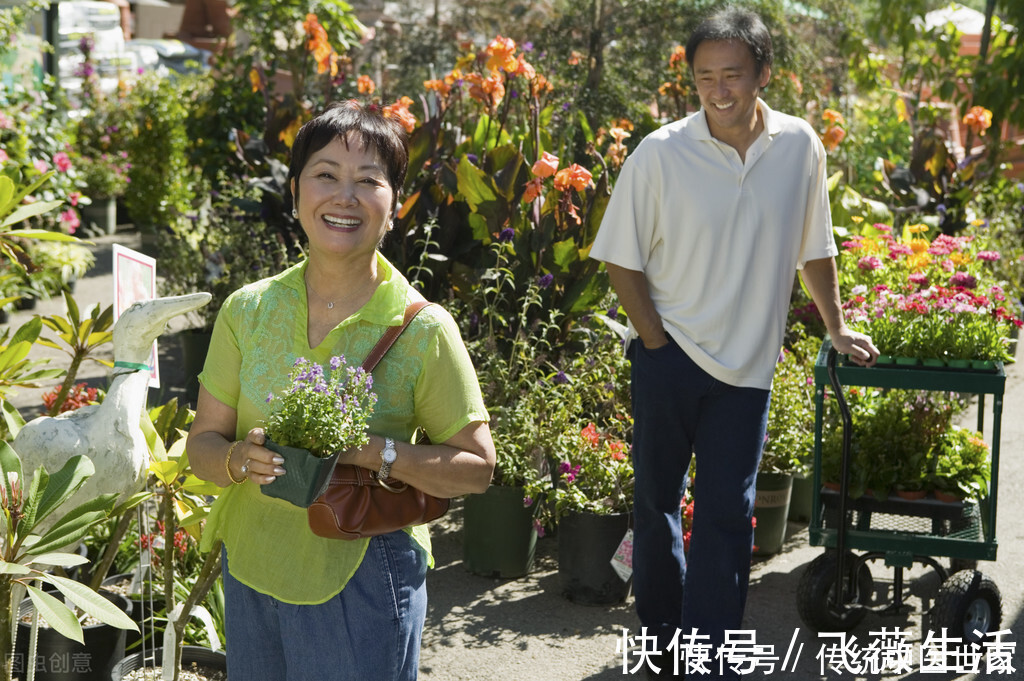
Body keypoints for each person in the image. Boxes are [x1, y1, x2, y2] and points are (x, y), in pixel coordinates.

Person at [589, 7, 878, 678]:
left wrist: (835, 324)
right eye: (705, 77)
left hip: (746, 368)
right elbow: (620, 259)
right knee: (657, 501)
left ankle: (708, 650)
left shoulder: (800, 145)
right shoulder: (660, 153)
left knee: (729, 511)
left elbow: (816, 246)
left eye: (733, 75)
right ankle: (663, 636)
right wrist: (655, 341)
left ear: (764, 73)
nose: (719, 90)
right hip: (668, 358)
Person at [187, 100, 496, 681]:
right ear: (297, 190)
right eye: (325, 174)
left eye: (368, 181)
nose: (344, 196)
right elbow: (201, 446)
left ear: (394, 207)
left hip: (363, 572)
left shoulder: (422, 327)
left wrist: (376, 452)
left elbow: (477, 468)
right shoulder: (249, 310)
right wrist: (234, 458)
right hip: (251, 568)